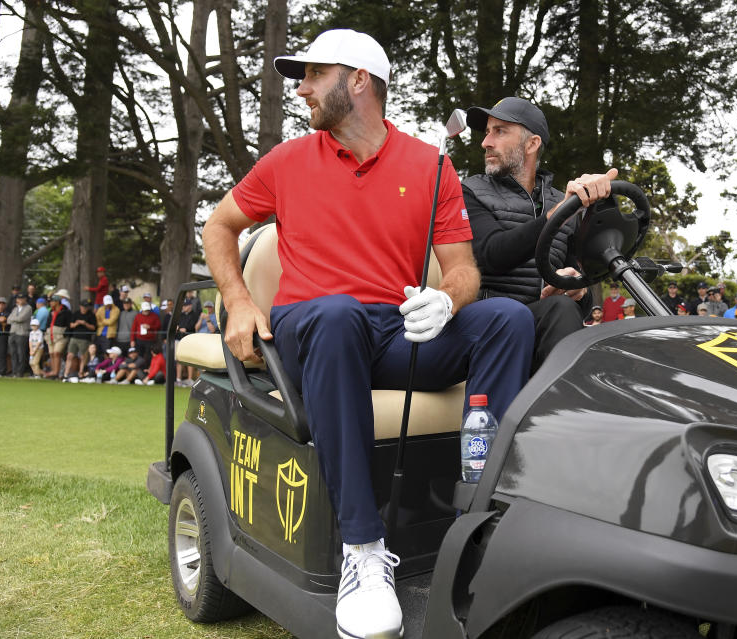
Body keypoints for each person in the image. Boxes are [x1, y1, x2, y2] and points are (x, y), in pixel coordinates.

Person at [201, 28, 534, 639]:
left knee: (509, 319)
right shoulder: (288, 160)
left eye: (313, 74)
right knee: (336, 314)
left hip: (394, 332)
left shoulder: (429, 165)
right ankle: (362, 552)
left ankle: (483, 511)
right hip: (314, 330)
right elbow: (219, 226)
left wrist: (444, 298)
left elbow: (463, 269)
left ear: (358, 81)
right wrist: (240, 300)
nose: (301, 88)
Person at [462, 96, 608, 372]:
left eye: (500, 131)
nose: (486, 142)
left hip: (543, 326)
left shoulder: (562, 203)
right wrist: (559, 214)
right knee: (558, 311)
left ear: (532, 144)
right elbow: (490, 254)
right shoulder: (470, 191)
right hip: (488, 324)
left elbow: (583, 293)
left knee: (575, 317)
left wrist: (578, 289)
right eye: (487, 132)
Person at [63, 299, 97, 381]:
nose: (84, 309)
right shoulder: (76, 314)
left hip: (85, 338)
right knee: (70, 355)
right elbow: (71, 325)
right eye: (83, 307)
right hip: (74, 337)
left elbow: (93, 327)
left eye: (86, 307)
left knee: (83, 356)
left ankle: (80, 373)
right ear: (80, 306)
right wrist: (77, 323)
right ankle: (66, 374)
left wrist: (85, 324)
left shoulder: (91, 315)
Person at [45, 294, 73, 379]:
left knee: (57, 353)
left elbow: (69, 324)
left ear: (57, 302)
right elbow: (48, 323)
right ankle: (53, 371)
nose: (50, 303)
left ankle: (56, 372)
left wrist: (66, 334)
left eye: (52, 301)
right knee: (51, 353)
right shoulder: (51, 312)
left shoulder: (65, 312)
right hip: (51, 334)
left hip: (61, 335)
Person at [7, 293, 33, 377]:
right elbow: (8, 320)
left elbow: (21, 318)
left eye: (22, 298)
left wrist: (14, 319)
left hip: (22, 333)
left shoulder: (28, 308)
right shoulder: (15, 309)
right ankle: (14, 371)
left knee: (21, 353)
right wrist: (15, 319)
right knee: (13, 353)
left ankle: (20, 372)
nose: (20, 300)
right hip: (13, 332)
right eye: (19, 298)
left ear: (25, 299)